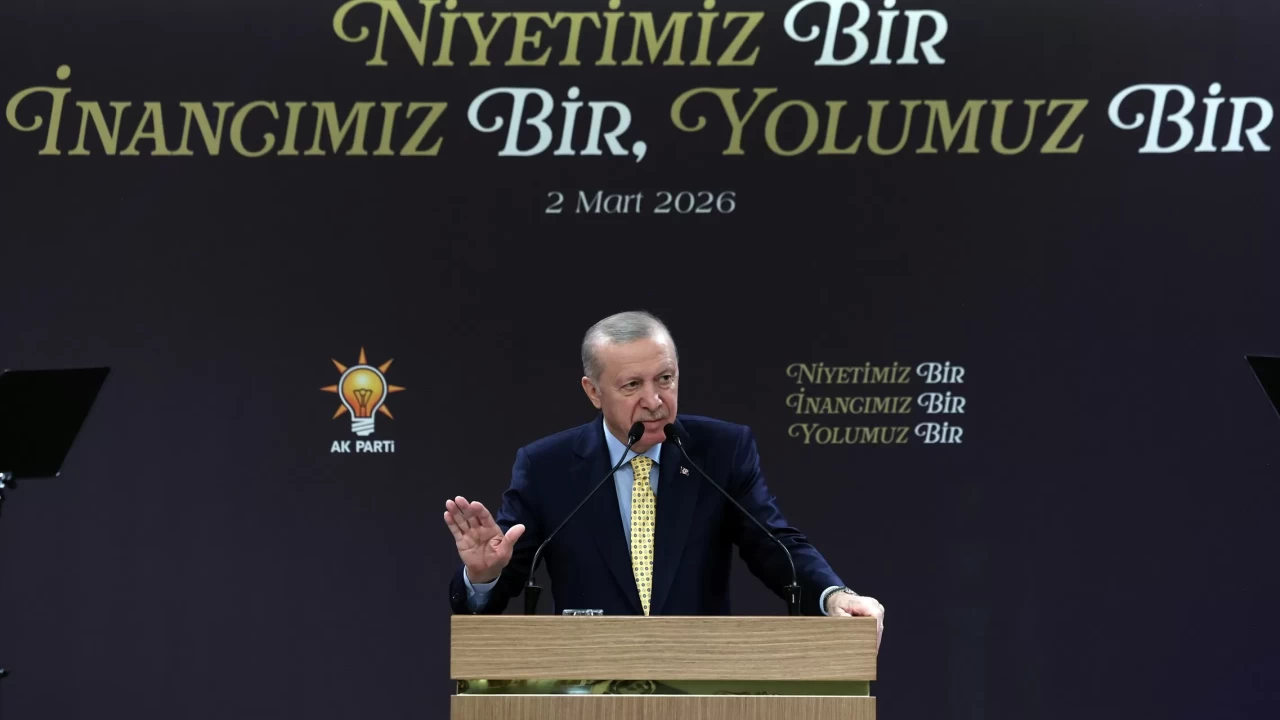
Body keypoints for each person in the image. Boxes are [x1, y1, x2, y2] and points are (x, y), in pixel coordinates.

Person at [443, 311, 884, 645]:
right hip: (586, 687)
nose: (654, 401)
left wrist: (834, 596)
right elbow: (503, 576)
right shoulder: (547, 467)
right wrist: (482, 576)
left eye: (665, 379)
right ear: (593, 392)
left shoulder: (721, 451)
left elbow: (777, 546)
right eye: (631, 385)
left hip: (699, 682)